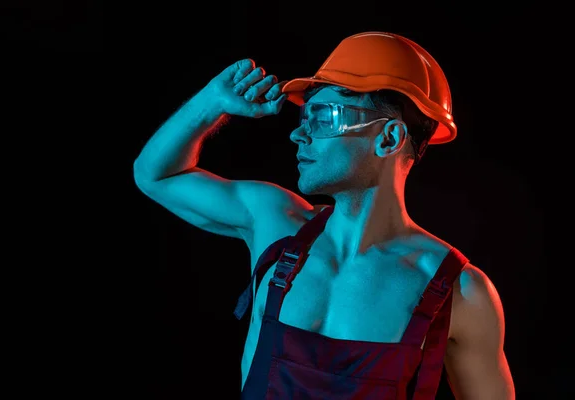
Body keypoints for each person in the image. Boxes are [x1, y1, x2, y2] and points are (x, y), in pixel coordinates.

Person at [133, 32, 515, 399]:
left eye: (324, 117)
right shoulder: (275, 224)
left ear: (388, 139)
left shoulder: (460, 292)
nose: (299, 136)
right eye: (304, 119)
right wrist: (212, 102)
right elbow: (156, 174)